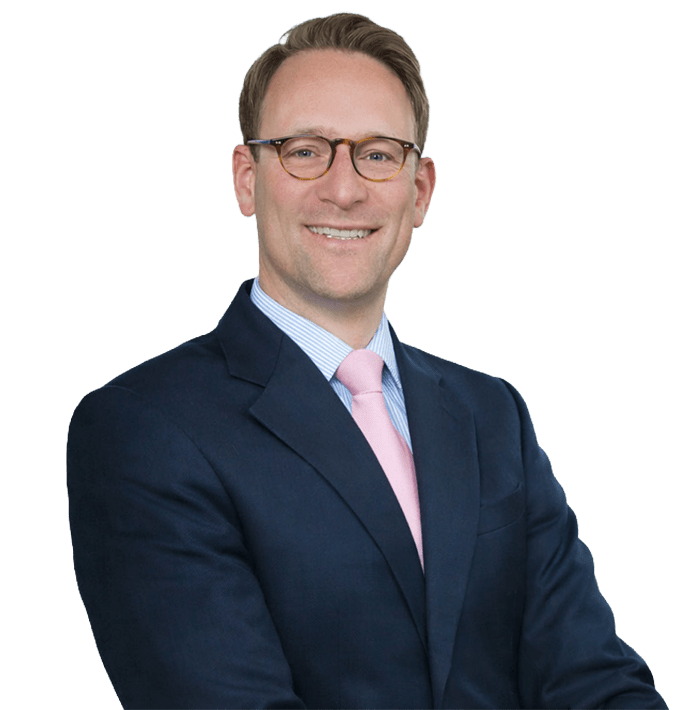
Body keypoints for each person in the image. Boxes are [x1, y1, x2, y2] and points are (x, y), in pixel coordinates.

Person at [67, 12, 668, 710]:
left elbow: (594, 680)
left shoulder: (491, 415)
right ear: (246, 179)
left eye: (378, 155)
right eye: (304, 151)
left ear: (420, 190)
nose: (345, 189)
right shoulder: (146, 429)